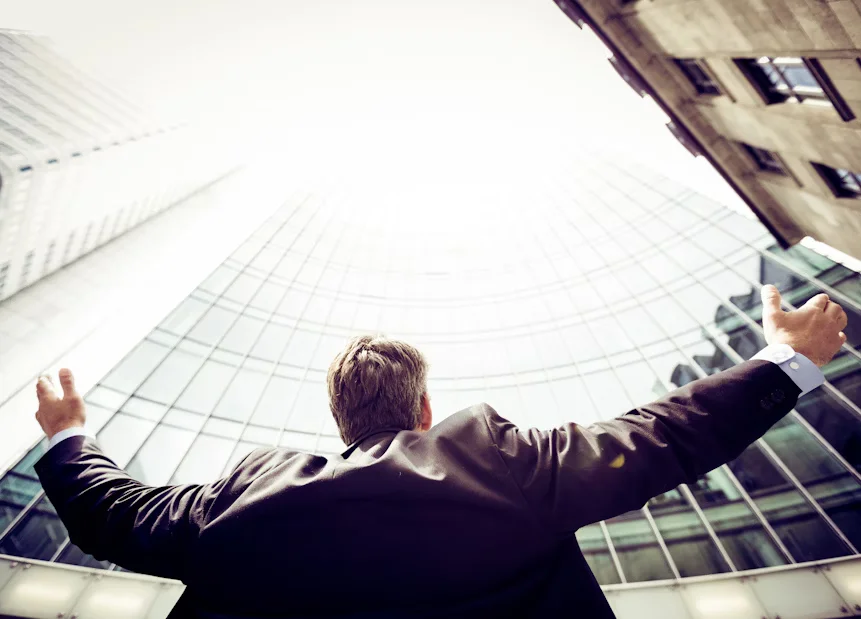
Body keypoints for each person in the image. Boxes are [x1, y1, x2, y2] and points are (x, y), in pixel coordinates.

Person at [33, 285, 847, 619]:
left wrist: (71, 432)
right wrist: (785, 359)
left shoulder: (239, 501)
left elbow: (113, 515)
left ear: (340, 420)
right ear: (423, 409)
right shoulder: (495, 459)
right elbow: (657, 436)